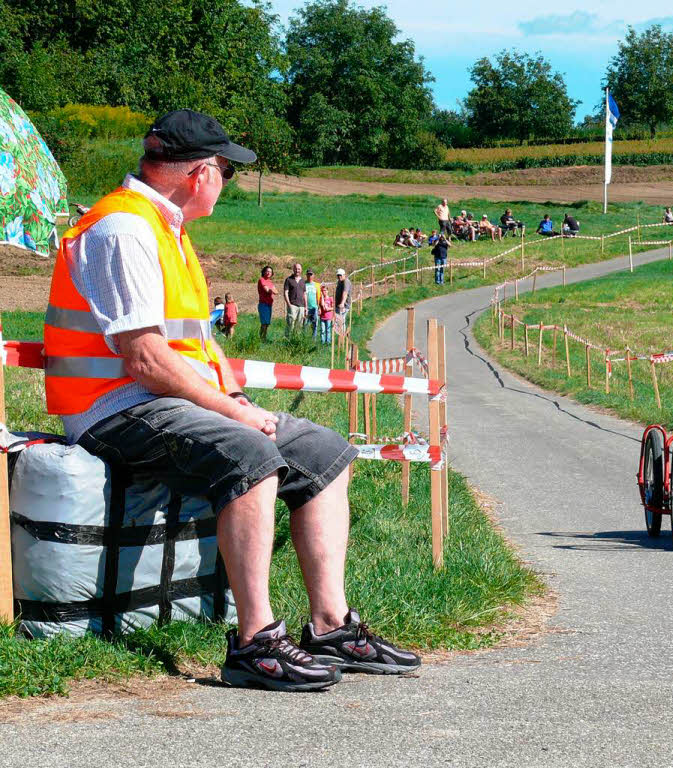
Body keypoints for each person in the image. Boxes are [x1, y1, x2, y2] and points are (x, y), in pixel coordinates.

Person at [44, 108, 419, 693]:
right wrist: (234, 412)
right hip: (113, 407)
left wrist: (235, 394)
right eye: (226, 169)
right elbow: (145, 358)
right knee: (250, 454)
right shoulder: (124, 229)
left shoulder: (166, 228)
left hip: (165, 400)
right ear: (198, 174)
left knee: (325, 453)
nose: (227, 180)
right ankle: (255, 641)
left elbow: (197, 343)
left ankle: (330, 624)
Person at [283, 261, 305, 337]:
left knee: (299, 325)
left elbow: (305, 294)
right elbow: (285, 293)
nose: (297, 270)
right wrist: (289, 305)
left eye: (299, 269)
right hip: (292, 305)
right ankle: (287, 340)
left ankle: (296, 341)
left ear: (301, 270)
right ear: (293, 269)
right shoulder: (288, 280)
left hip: (301, 306)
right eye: (295, 269)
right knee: (290, 324)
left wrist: (306, 307)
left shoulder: (303, 281)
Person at [257, 265, 276, 340]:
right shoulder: (262, 280)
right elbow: (267, 290)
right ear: (264, 272)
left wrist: (271, 290)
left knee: (267, 323)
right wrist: (272, 290)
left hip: (269, 304)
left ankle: (263, 338)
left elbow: (276, 291)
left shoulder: (270, 281)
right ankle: (262, 338)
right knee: (264, 323)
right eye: (267, 271)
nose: (269, 273)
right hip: (263, 304)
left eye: (270, 272)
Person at [333, 268, 352, 338]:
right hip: (338, 306)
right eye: (338, 275)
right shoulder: (339, 281)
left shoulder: (346, 282)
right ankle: (343, 335)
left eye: (340, 275)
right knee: (338, 320)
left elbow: (345, 293)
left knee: (340, 320)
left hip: (344, 306)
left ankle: (342, 336)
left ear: (344, 275)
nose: (339, 277)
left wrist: (342, 303)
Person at [304, 268, 320, 339]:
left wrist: (319, 307)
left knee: (314, 325)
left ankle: (314, 340)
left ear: (313, 275)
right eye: (308, 274)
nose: (309, 276)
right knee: (305, 325)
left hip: (315, 308)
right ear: (306, 275)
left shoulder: (317, 285)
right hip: (306, 308)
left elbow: (320, 297)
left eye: (311, 274)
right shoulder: (303, 284)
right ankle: (304, 339)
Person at [317, 279, 334, 345]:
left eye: (325, 290)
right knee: (322, 330)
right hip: (322, 317)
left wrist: (328, 308)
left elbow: (333, 308)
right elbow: (321, 307)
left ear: (327, 291)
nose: (324, 292)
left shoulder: (331, 299)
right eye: (322, 290)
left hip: (329, 317)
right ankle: (322, 342)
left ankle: (328, 342)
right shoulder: (321, 299)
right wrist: (319, 309)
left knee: (328, 330)